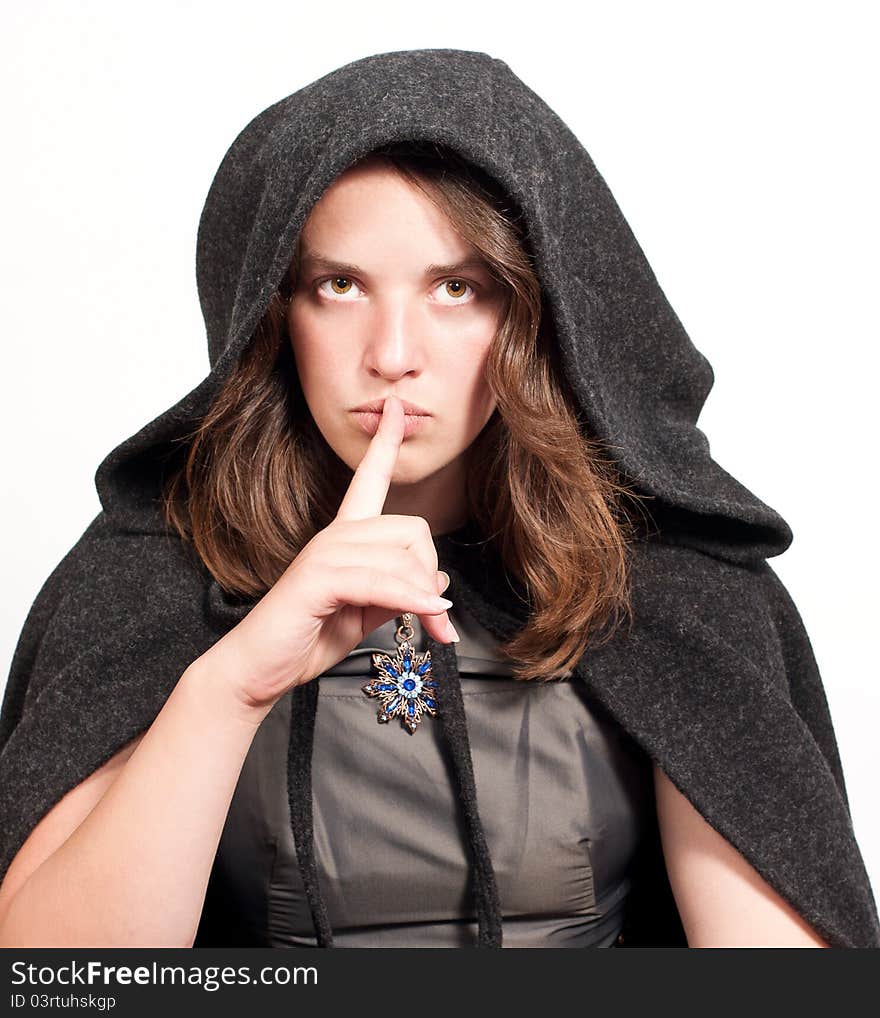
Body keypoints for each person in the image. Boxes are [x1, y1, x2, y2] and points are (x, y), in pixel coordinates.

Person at [0, 48, 877, 949]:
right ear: (273, 310)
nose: (391, 354)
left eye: (455, 289)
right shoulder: (146, 573)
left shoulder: (669, 582)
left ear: (535, 313)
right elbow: (63, 981)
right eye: (338, 286)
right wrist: (233, 684)